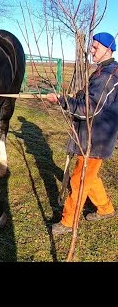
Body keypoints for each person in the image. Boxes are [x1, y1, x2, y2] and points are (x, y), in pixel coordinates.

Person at [46, 32, 117, 236]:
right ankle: (105, 209)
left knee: (79, 180)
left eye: (95, 47)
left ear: (108, 48)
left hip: (96, 138)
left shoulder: (108, 76)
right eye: (91, 46)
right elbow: (90, 99)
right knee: (90, 177)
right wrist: (72, 97)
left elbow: (90, 109)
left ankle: (68, 222)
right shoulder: (104, 71)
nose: (91, 50)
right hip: (93, 135)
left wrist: (61, 101)